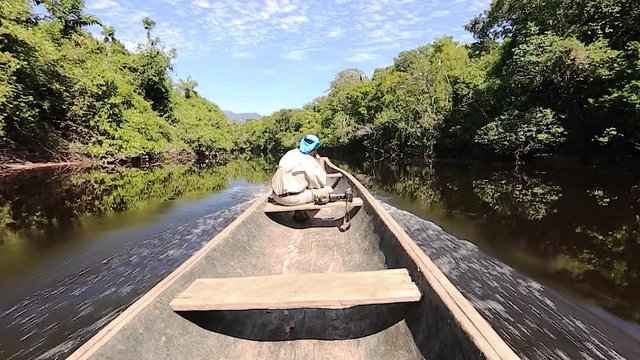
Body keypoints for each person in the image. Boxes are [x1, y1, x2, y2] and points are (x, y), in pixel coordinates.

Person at [271, 134, 333, 206]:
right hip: (290, 199)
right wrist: (317, 163)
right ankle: (303, 213)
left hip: (275, 196)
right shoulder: (309, 160)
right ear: (314, 150)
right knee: (327, 190)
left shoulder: (290, 153)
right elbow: (321, 183)